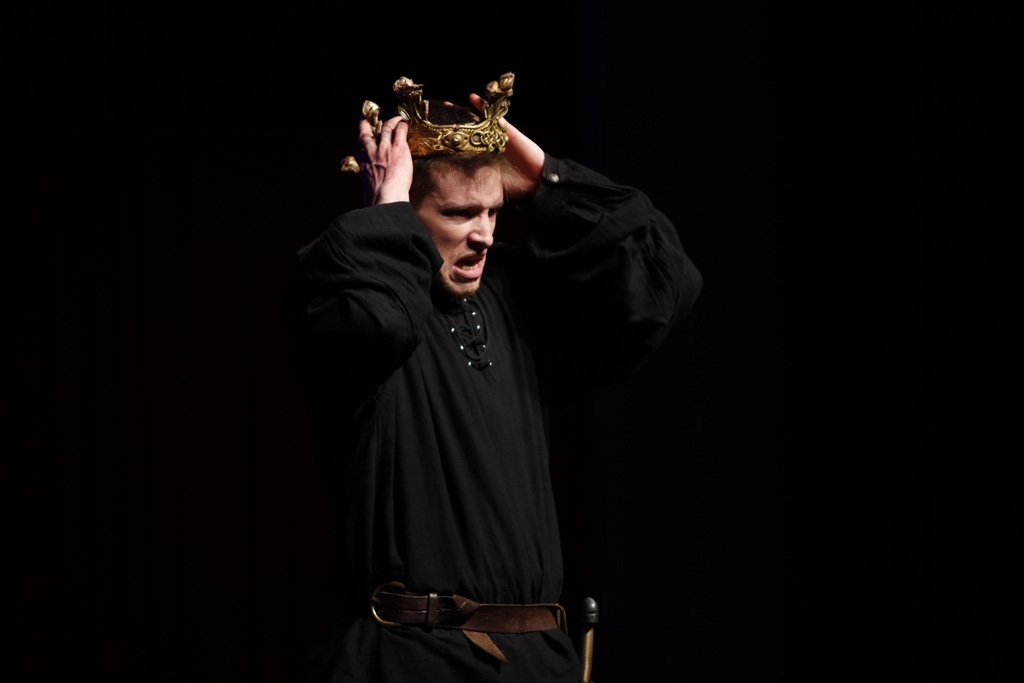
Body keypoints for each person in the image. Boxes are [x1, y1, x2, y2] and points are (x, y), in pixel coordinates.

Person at [288, 73, 703, 682]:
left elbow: (663, 284)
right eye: (459, 213)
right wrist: (388, 209)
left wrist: (546, 179)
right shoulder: (344, 291)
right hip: (414, 660)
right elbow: (375, 326)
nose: (483, 234)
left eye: (493, 211)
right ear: (405, 209)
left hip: (539, 660)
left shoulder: (514, 297)